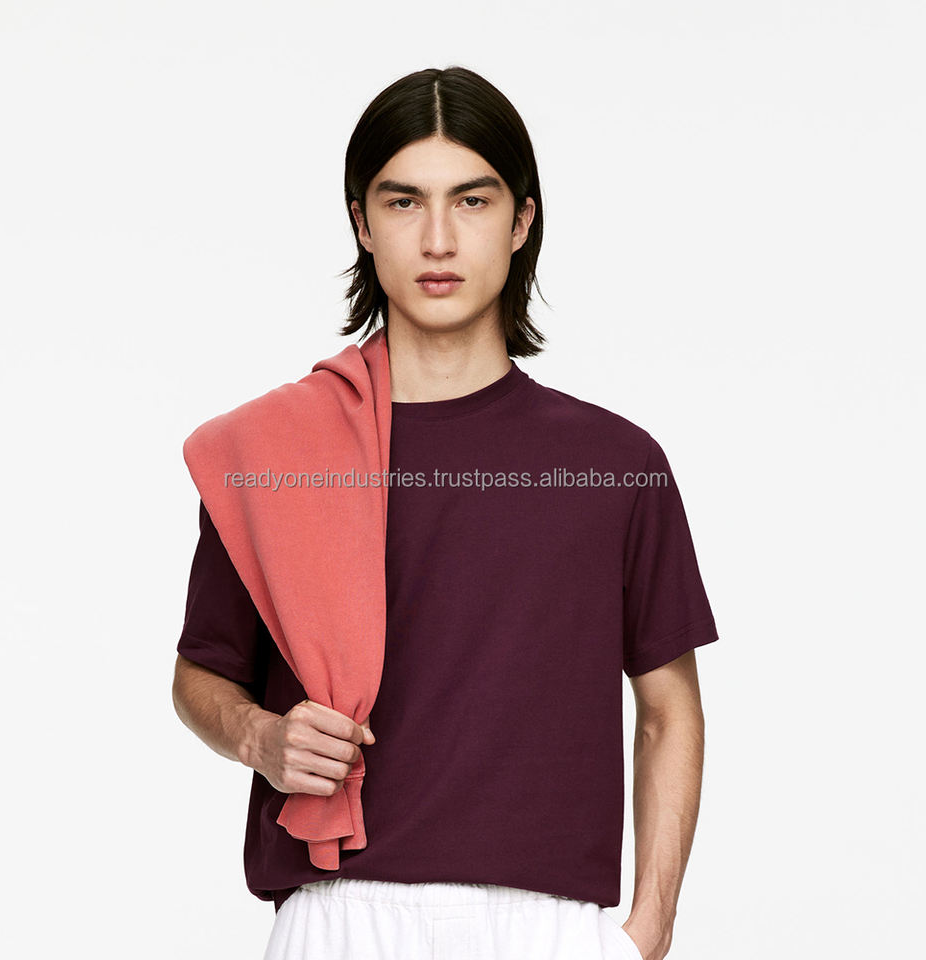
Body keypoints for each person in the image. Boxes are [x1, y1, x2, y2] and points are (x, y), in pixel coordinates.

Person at [172, 65, 719, 960]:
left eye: (471, 200)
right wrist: (259, 736)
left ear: (521, 221)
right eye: (403, 202)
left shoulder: (615, 463)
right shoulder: (277, 453)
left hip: (548, 927)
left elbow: (669, 711)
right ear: (362, 222)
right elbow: (202, 674)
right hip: (340, 917)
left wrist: (649, 929)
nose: (437, 239)